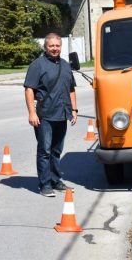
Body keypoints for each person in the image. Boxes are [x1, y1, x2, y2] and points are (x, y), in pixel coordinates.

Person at [24, 33, 78, 197]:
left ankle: (55, 180)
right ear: (45, 47)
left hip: (62, 115)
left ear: (61, 46)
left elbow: (71, 89)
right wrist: (32, 113)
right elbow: (29, 89)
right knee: (45, 151)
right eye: (51, 46)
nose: (55, 48)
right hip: (44, 115)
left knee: (56, 151)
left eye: (57, 46)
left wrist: (74, 110)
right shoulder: (37, 65)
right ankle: (45, 184)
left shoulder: (65, 65)